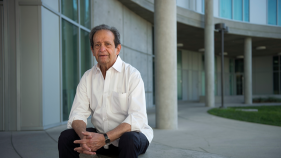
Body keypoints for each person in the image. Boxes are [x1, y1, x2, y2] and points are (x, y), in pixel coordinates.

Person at [58, 24, 153, 158]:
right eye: (97, 45)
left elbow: (137, 118)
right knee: (66, 137)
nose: (102, 49)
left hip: (132, 137)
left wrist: (105, 138)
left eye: (107, 44)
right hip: (100, 137)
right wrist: (84, 137)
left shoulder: (132, 75)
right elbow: (77, 114)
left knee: (129, 140)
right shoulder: (87, 77)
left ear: (117, 48)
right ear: (92, 50)